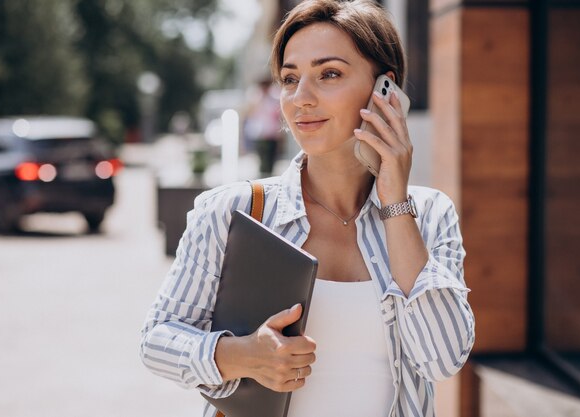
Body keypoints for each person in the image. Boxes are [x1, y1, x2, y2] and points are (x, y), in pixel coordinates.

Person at [140, 1, 475, 416]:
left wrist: (394, 202)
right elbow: (157, 339)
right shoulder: (234, 212)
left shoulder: (429, 214)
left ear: (384, 89)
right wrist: (241, 355)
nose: (301, 98)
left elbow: (442, 359)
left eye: (329, 74)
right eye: (289, 78)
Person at [243, 78, 284, 176]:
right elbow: (249, 113)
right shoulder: (255, 98)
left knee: (271, 159)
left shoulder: (274, 98)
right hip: (260, 134)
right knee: (262, 159)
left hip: (272, 134)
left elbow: (278, 115)